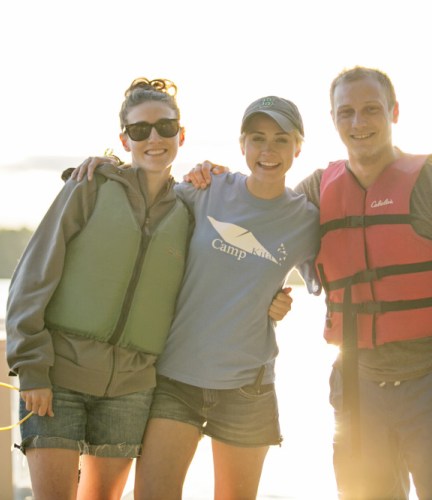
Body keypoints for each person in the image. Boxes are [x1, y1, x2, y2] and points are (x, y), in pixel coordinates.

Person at [188, 66, 432, 499]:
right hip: (357, 385)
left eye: (371, 110)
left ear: (394, 112)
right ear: (333, 120)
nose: (358, 123)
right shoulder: (316, 189)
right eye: (346, 112)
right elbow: (261, 220)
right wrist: (211, 177)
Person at [70, 95, 320, 499]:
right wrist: (106, 169)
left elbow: (331, 276)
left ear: (298, 147)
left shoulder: (307, 220)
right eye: (257, 139)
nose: (268, 151)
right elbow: (144, 192)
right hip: (176, 378)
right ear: (242, 145)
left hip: (247, 387)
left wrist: (280, 304)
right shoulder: (208, 187)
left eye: (280, 140)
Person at [6, 77, 193, 500]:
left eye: (165, 127)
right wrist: (32, 368)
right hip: (57, 379)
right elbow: (32, 278)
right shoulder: (90, 186)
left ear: (181, 134)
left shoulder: (190, 208)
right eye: (140, 130)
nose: (154, 138)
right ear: (124, 139)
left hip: (132, 389)